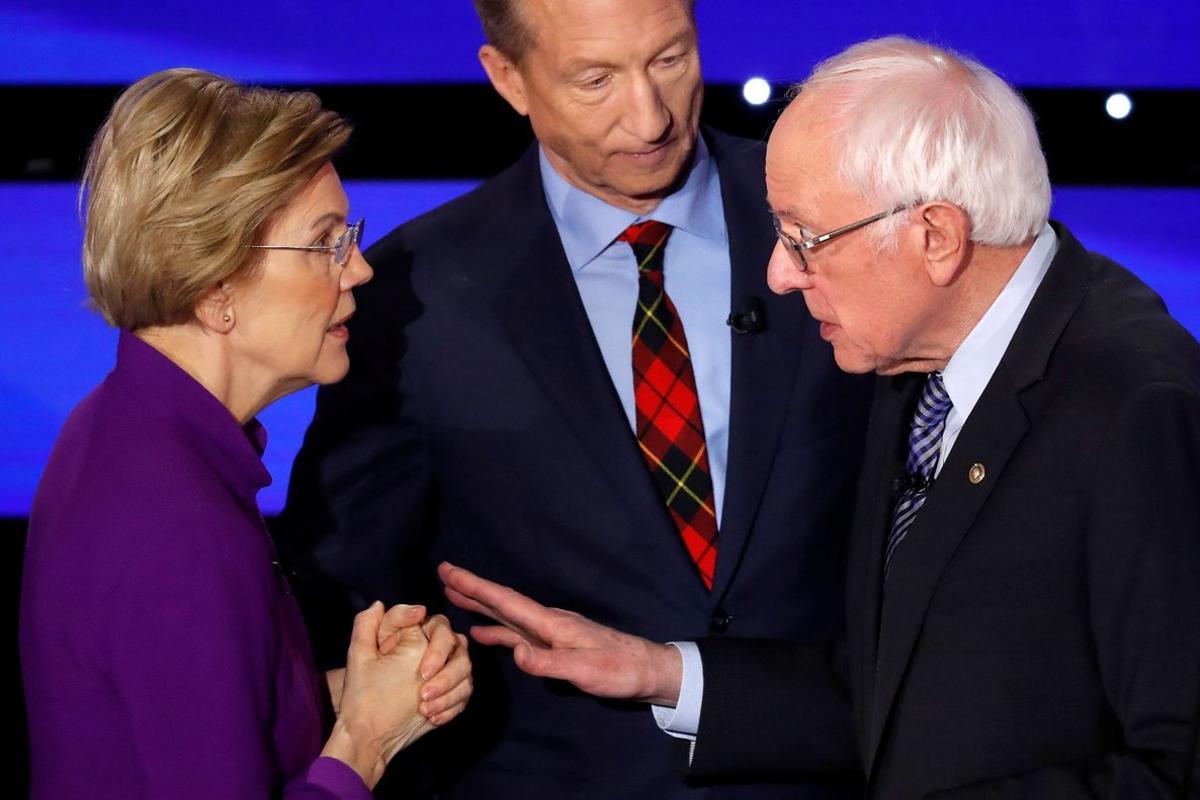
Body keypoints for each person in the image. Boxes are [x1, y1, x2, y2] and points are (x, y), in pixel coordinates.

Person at [439, 36, 1200, 799]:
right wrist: (660, 671)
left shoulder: (1136, 407)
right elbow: (897, 693)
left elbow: (1177, 768)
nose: (778, 273)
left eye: (805, 238)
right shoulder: (916, 365)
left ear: (935, 237)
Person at [277, 0, 871, 797]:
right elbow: (345, 584)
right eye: (595, 79)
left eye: (670, 59)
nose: (650, 115)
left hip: (832, 770)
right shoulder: (415, 296)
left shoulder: (839, 221)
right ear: (508, 79)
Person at [19, 69, 473, 800]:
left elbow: (191, 721)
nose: (358, 269)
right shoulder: (179, 524)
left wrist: (358, 690)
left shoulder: (121, 429)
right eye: (326, 243)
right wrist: (364, 739)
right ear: (215, 290)